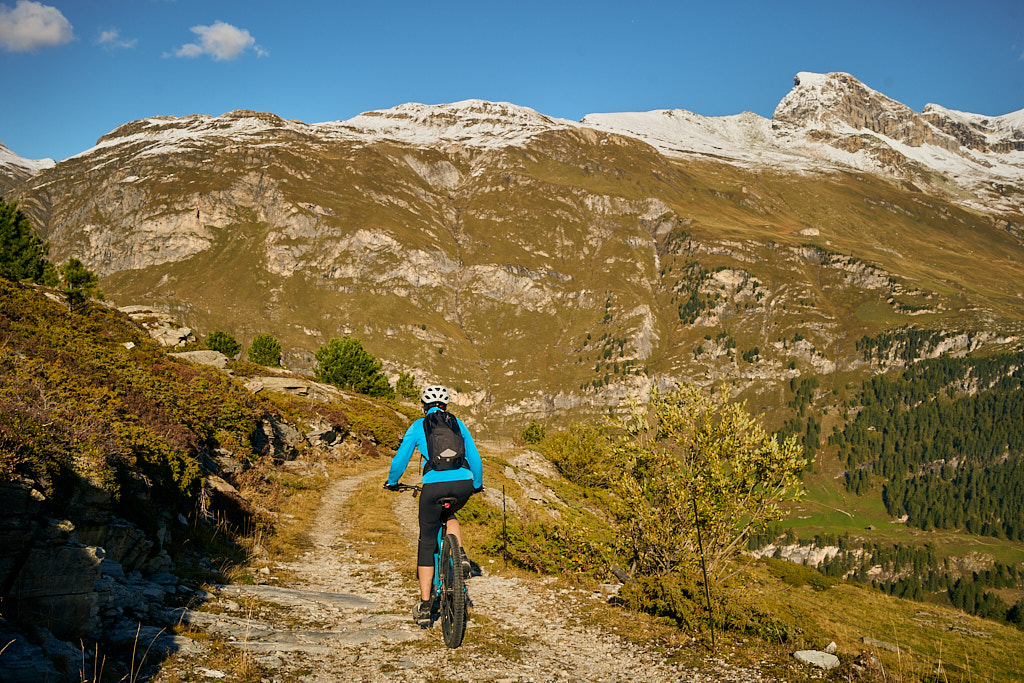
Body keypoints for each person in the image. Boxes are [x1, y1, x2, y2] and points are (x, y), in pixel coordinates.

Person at [384, 384, 483, 626]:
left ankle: (426, 605)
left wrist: (392, 482)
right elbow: (475, 457)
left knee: (427, 539)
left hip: (433, 487)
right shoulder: (457, 423)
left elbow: (401, 459)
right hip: (462, 484)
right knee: (450, 515)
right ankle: (459, 554)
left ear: (424, 406)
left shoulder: (419, 426)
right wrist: (477, 484)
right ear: (445, 406)